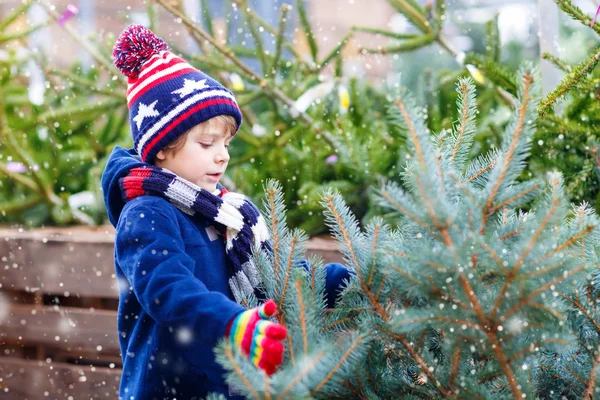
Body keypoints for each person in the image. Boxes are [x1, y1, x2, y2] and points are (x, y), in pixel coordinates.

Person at [101, 25, 352, 400]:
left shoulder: (227, 215)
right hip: (169, 390)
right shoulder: (147, 214)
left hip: (232, 388)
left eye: (226, 142)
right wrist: (233, 324)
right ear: (162, 148)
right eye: (207, 143)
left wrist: (352, 281)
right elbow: (168, 290)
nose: (223, 154)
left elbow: (280, 276)